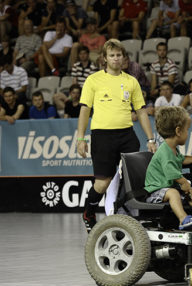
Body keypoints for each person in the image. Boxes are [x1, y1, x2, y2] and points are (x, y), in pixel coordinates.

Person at [76, 39, 157, 233]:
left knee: (133, 178)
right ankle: (89, 212)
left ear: (124, 58)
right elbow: (85, 110)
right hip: (102, 135)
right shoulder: (93, 80)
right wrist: (80, 139)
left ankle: (124, 216)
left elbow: (142, 111)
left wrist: (151, 139)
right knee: (103, 182)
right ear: (104, 58)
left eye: (118, 55)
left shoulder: (131, 81)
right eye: (111, 55)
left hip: (127, 135)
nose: (115, 58)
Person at [144, 106, 192, 230]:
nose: (188, 133)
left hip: (166, 188)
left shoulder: (173, 149)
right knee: (174, 193)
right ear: (178, 131)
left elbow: (182, 160)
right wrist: (183, 182)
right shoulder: (164, 151)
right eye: (187, 130)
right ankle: (183, 219)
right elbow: (171, 173)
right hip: (156, 191)